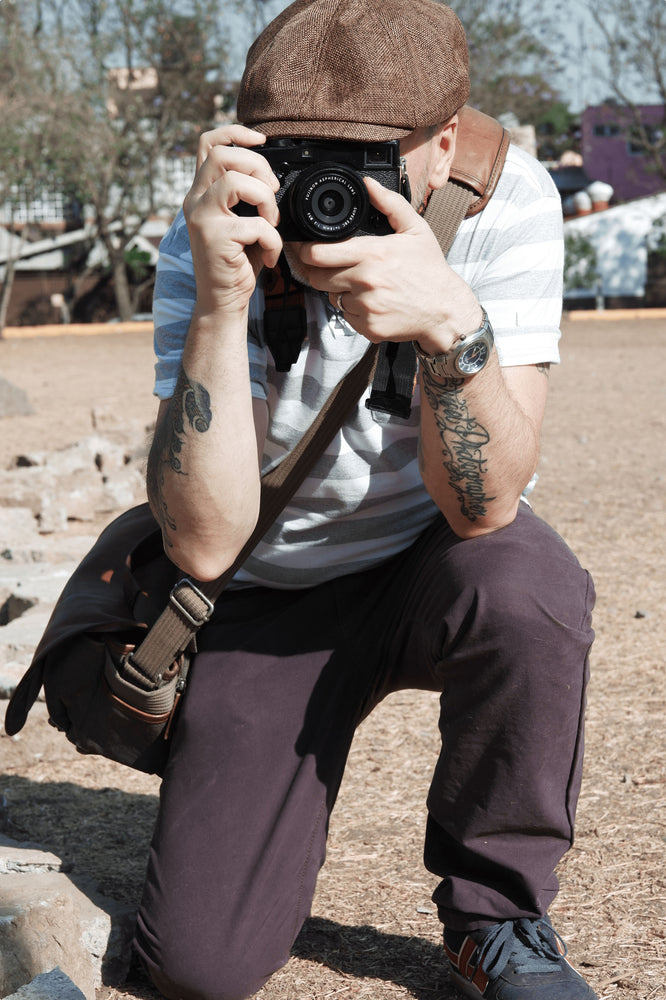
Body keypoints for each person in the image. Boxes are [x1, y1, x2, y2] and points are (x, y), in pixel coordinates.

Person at [138, 1, 598, 998]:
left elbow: (483, 507)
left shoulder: (502, 198)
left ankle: (498, 914)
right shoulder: (219, 217)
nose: (324, 193)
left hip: (434, 556)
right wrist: (224, 300)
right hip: (268, 584)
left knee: (528, 584)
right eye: (299, 156)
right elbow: (206, 546)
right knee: (197, 965)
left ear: (442, 146)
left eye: (364, 163)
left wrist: (450, 329)